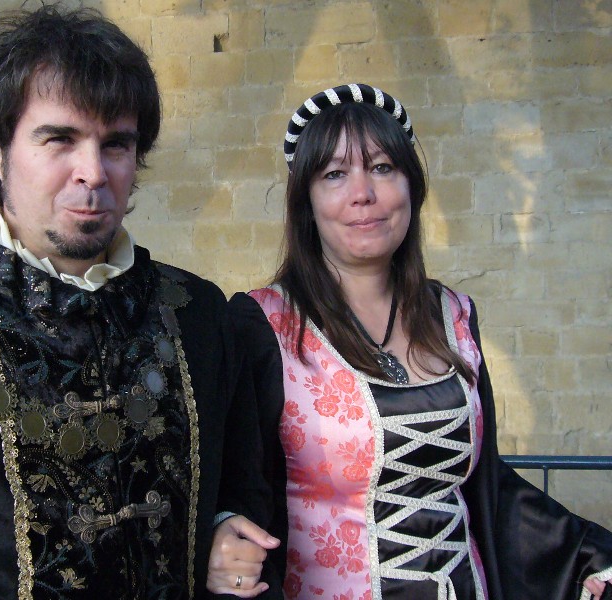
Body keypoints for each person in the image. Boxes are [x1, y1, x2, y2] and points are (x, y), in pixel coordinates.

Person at [0, 6, 283, 598]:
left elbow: (243, 488)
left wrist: (224, 531)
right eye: (59, 139)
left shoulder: (197, 313)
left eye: (116, 144)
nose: (93, 172)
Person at [211, 83, 612, 599]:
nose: (363, 193)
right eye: (334, 174)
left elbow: (486, 488)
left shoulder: (455, 317)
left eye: (382, 168)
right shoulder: (264, 325)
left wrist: (590, 560)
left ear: (412, 187)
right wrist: (218, 540)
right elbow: (232, 484)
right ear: (306, 202)